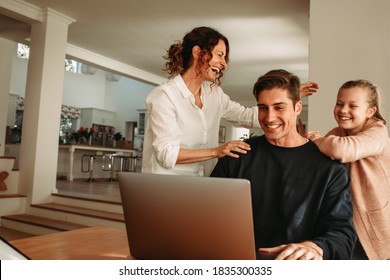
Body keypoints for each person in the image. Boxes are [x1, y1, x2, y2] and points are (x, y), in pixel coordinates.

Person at [210, 69, 357, 260]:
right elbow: (208, 216)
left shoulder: (330, 169)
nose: (269, 118)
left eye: (279, 108)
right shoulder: (236, 156)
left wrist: (316, 248)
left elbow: (343, 235)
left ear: (297, 108)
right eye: (263, 108)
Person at [142, 26, 318, 176]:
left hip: (201, 186)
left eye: (225, 58)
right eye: (220, 55)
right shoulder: (164, 96)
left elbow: (248, 117)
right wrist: (217, 151)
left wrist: (288, 96)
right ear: (197, 52)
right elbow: (167, 155)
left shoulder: (214, 94)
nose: (224, 63)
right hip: (164, 187)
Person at [305, 80, 390, 260]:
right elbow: (321, 159)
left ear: (370, 111)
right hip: (345, 218)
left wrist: (317, 140)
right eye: (339, 104)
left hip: (371, 221)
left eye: (353, 106)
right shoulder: (338, 132)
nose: (343, 110)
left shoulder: (378, 132)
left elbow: (341, 150)